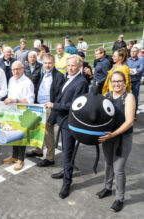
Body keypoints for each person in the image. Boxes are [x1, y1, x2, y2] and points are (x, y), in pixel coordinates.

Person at [46, 55, 88, 199]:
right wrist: (52, 117)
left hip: (70, 122)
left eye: (73, 66)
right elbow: (60, 97)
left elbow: (75, 105)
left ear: (79, 66)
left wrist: (54, 106)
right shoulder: (68, 78)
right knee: (65, 149)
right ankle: (65, 171)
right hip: (62, 120)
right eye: (68, 65)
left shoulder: (81, 82)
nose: (70, 68)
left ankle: (67, 182)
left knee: (68, 151)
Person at [97, 71, 135, 212]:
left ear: (124, 83)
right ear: (110, 82)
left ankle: (120, 198)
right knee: (108, 164)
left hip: (122, 137)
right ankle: (107, 187)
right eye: (114, 81)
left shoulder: (128, 97)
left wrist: (114, 134)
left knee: (118, 169)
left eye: (119, 81)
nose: (116, 84)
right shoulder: (106, 96)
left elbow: (129, 121)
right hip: (108, 137)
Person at [26, 53, 65, 167]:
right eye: (45, 63)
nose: (47, 65)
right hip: (39, 106)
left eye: (50, 63)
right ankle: (38, 150)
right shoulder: (44, 73)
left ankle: (50, 157)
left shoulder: (58, 76)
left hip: (48, 107)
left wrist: (53, 107)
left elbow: (58, 95)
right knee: (38, 130)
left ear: (54, 63)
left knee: (48, 132)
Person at [3, 61, 35, 171]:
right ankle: (14, 156)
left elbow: (30, 101)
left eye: (18, 69)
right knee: (12, 134)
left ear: (22, 69)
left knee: (21, 136)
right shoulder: (11, 80)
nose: (15, 71)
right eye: (13, 69)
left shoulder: (27, 82)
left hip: (22, 113)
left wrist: (15, 100)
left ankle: (21, 159)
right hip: (12, 113)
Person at [127, 47, 144, 114]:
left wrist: (132, 70)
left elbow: (141, 69)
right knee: (126, 97)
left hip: (136, 82)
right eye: (131, 51)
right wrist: (134, 71)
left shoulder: (141, 60)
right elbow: (126, 69)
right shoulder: (128, 60)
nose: (132, 53)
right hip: (128, 81)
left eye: (134, 51)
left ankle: (134, 112)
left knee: (135, 97)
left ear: (137, 52)